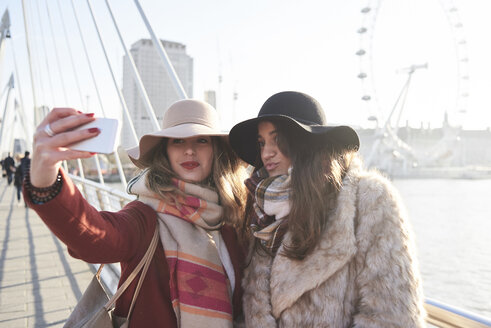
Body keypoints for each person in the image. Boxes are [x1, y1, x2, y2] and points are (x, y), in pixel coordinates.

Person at [24, 100, 248, 327]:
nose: (189, 150)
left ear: (216, 150)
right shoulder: (144, 217)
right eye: (178, 141)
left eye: (201, 140)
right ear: (165, 151)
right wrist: (46, 178)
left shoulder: (234, 216)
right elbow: (97, 236)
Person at [229, 91, 426, 327]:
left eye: (277, 139)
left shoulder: (368, 199)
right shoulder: (261, 214)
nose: (266, 153)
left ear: (306, 142)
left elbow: (392, 315)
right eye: (262, 143)